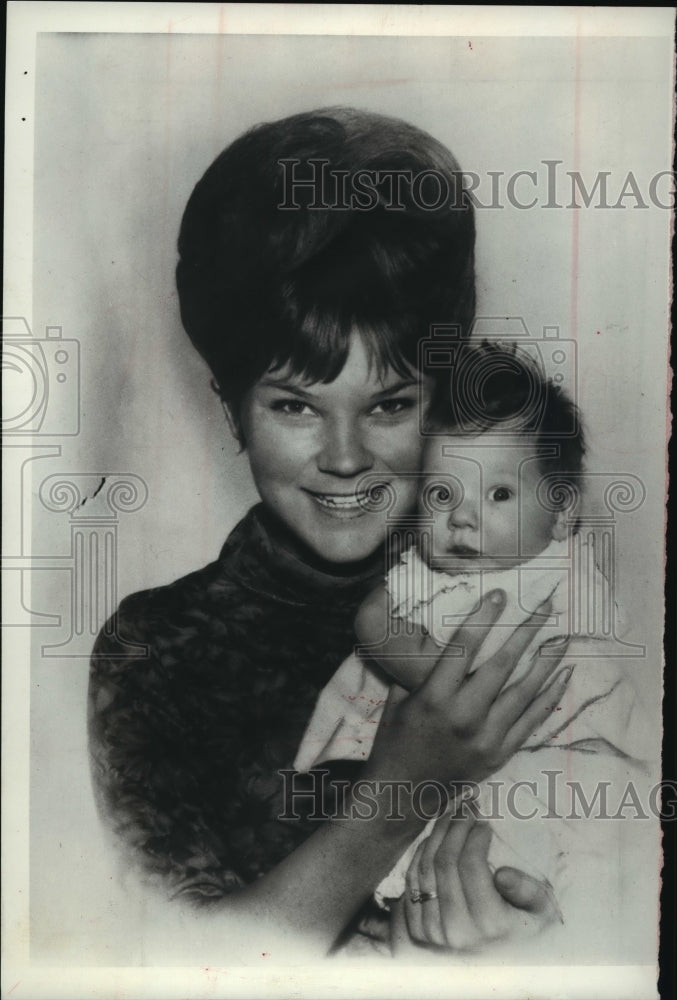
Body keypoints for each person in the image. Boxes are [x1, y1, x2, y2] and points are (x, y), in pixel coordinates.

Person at [88, 108, 570, 959]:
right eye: (294, 405)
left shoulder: (525, 593)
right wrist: (398, 794)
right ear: (230, 409)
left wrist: (531, 949)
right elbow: (176, 967)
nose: (345, 457)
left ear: (444, 396)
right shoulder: (154, 651)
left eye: (389, 404)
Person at [295, 340, 654, 956]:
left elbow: (518, 689)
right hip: (423, 774)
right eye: (441, 496)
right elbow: (378, 630)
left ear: (563, 514)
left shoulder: (558, 579)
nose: (461, 520)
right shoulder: (421, 575)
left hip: (548, 755)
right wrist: (418, 659)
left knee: (569, 843)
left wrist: (400, 646)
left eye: (499, 496)